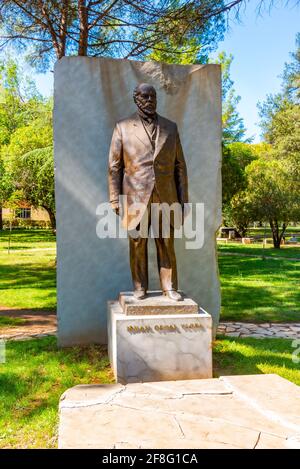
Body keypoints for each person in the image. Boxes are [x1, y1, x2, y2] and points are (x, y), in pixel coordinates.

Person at [108, 83, 188, 300]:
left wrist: (184, 200)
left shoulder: (170, 128)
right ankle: (139, 287)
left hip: (166, 195)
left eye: (153, 96)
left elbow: (180, 166)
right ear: (136, 98)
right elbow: (115, 167)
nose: (150, 100)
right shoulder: (122, 127)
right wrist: (114, 199)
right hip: (135, 195)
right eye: (145, 96)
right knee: (137, 242)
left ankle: (169, 287)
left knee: (166, 241)